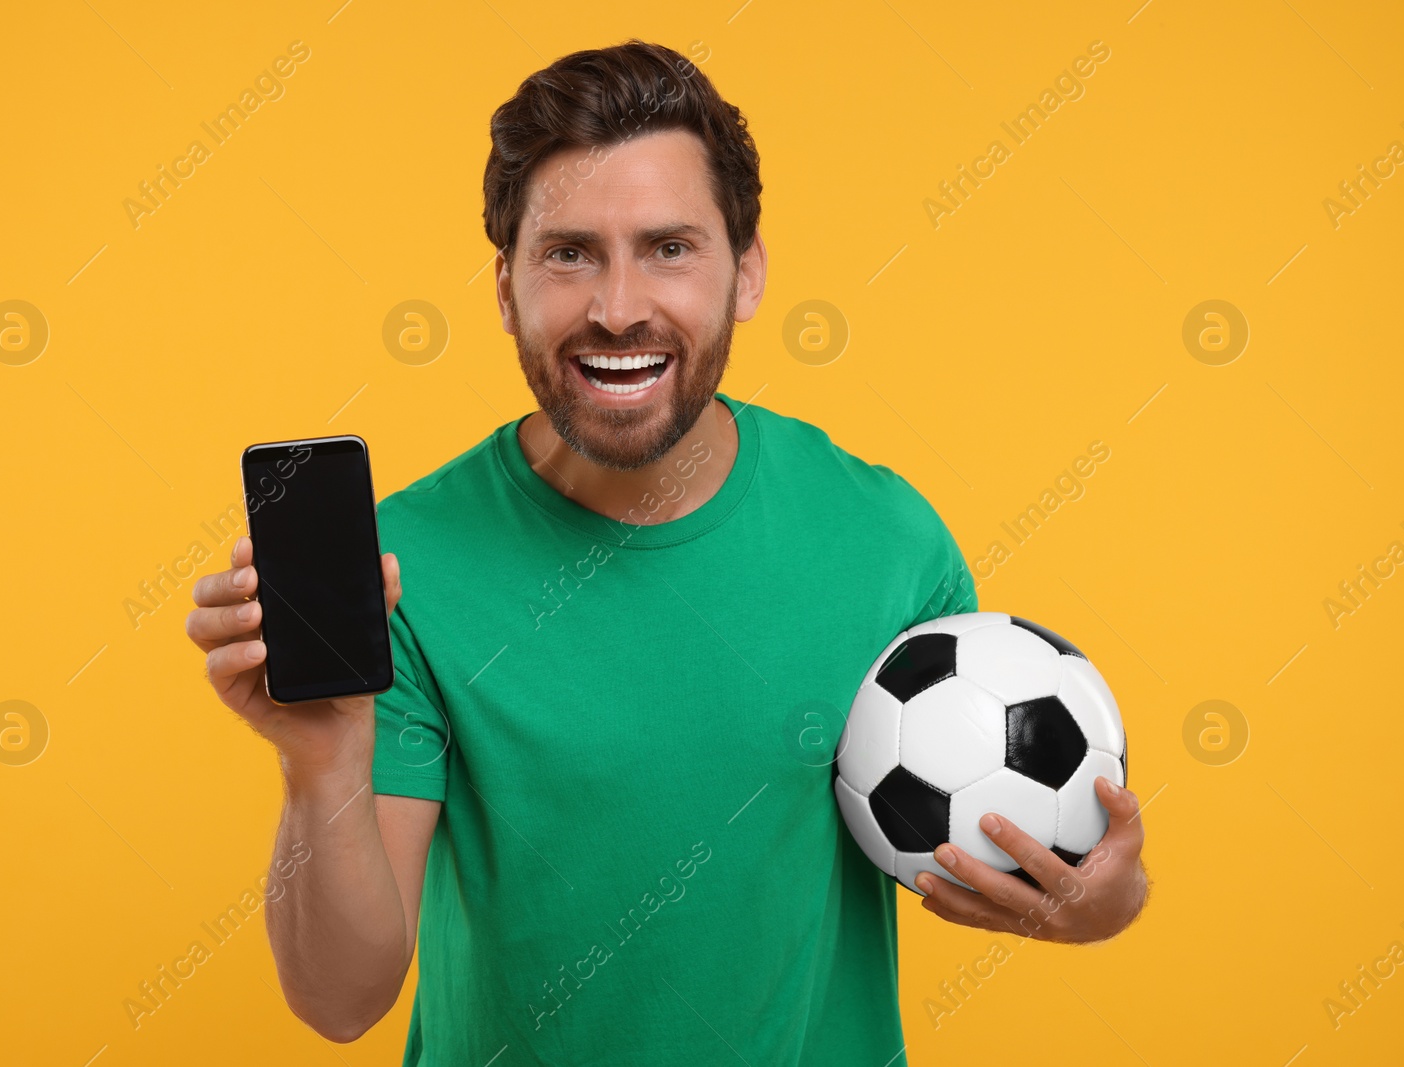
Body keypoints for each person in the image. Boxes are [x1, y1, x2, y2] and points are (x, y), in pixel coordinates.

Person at [185, 38, 1149, 1064]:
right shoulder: (402, 570)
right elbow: (341, 998)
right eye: (569, 253)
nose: (617, 308)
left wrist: (1101, 898)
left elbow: (993, 834)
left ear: (747, 272)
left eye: (669, 247)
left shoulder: (886, 540)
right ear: (505, 286)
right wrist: (321, 755)